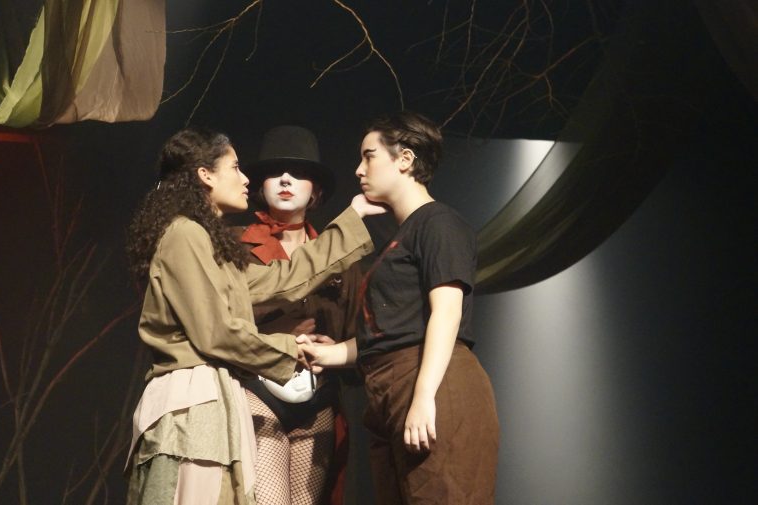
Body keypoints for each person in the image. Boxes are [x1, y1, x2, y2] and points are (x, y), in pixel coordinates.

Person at [124, 127, 383, 505]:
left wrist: (352, 219)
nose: (246, 178)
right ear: (205, 175)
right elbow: (216, 333)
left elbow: (283, 277)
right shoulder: (186, 234)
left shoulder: (205, 240)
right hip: (195, 396)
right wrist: (292, 348)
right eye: (235, 167)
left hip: (222, 394)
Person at [298, 112, 499, 504]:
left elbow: (447, 312)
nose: (359, 170)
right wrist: (330, 353)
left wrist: (423, 397)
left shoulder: (439, 222)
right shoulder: (400, 237)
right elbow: (391, 332)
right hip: (390, 391)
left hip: (433, 383)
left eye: (369, 156)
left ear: (405, 159)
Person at [236, 126, 361, 505]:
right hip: (256, 390)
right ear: (261, 185)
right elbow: (215, 319)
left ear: (316, 189)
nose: (286, 179)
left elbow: (358, 333)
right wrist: (276, 328)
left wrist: (335, 349)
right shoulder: (234, 245)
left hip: (318, 397)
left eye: (299, 173)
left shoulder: (342, 256)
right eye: (275, 172)